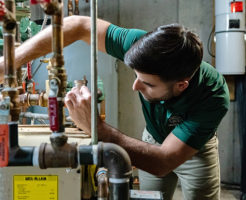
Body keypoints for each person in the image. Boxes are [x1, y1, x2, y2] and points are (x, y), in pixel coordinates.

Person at [0, 16, 230, 200]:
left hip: (196, 152)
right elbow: (77, 26)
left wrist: (97, 128)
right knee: (151, 197)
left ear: (181, 85)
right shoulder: (141, 46)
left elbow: (163, 161)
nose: (134, 86)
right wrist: (8, 63)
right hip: (153, 138)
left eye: (147, 83)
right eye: (136, 76)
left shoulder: (214, 95)